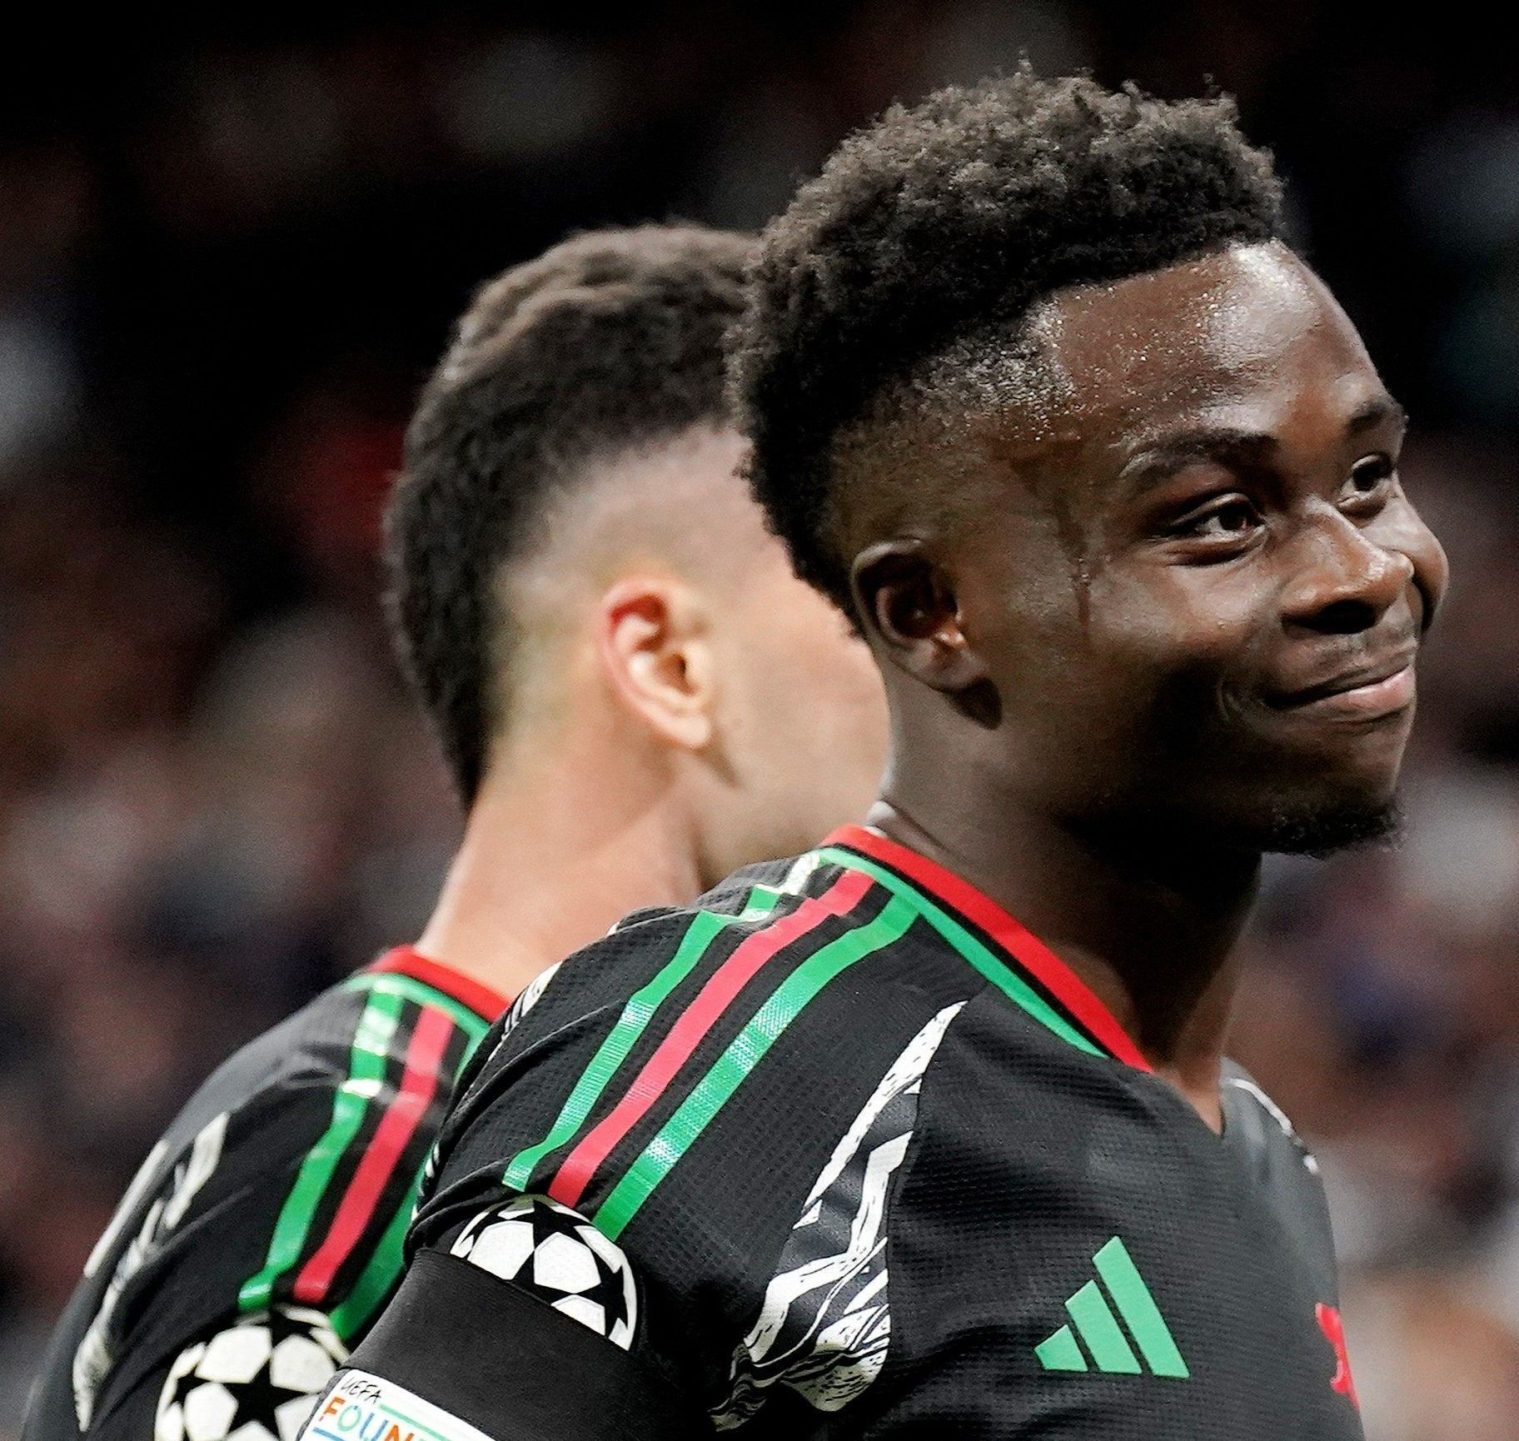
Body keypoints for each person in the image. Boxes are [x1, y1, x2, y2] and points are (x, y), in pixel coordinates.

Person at [317, 73, 1444, 1441]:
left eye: (1368, 477)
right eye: (1216, 516)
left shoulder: (1259, 1158)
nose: (1362, 570)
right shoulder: (738, 1060)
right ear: (928, 612)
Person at [25, 225, 889, 1441]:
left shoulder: (651, 1150)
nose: (928, 657)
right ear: (665, 659)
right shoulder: (371, 1144)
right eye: (856, 594)